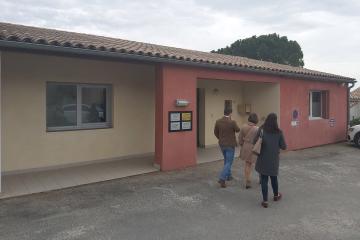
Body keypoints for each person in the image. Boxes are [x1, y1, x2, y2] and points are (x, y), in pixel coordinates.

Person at [254, 113, 287, 208]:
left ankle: (265, 201)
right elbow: (284, 146)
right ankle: (276, 195)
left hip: (263, 158)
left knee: (264, 179)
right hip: (273, 159)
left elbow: (254, 142)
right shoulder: (279, 132)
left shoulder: (262, 130)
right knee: (274, 178)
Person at [214, 108, 240, 188]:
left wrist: (220, 138)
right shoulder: (232, 122)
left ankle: (228, 176)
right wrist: (233, 121)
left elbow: (215, 132)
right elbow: (238, 130)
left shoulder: (218, 121)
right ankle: (222, 178)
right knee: (229, 162)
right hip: (230, 145)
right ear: (230, 113)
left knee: (226, 160)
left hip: (222, 144)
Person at [238, 113, 259, 189]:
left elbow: (240, 138)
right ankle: (260, 179)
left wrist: (242, 145)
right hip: (254, 148)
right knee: (258, 163)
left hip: (246, 147)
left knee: (247, 164)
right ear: (256, 120)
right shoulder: (257, 129)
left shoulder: (243, 127)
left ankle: (248, 181)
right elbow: (260, 140)